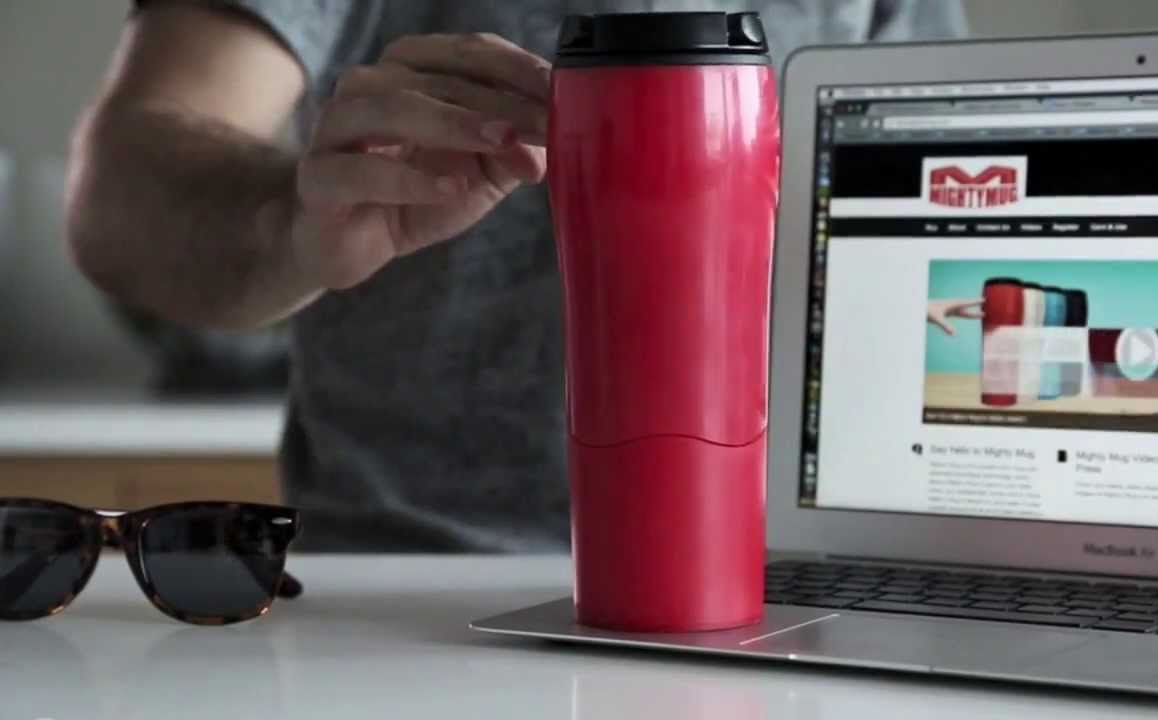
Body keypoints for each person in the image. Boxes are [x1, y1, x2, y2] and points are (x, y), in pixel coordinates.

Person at [67, 1, 967, 551]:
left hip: (785, 582)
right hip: (411, 592)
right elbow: (120, 192)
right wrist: (290, 224)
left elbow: (946, 211)